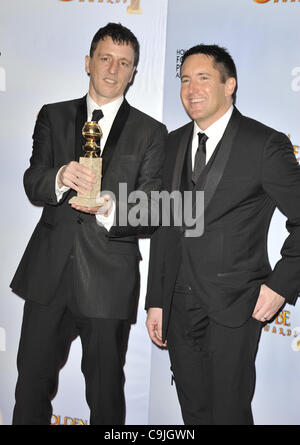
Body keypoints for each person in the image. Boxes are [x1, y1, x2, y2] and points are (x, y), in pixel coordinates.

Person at [11, 22, 167, 425]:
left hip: (108, 280)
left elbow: (152, 209)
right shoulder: (54, 115)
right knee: (29, 387)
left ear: (134, 73)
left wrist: (114, 207)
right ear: (88, 62)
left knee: (105, 395)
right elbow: (32, 181)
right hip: (49, 276)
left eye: (124, 63)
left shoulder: (152, 133)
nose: (112, 70)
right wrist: (60, 177)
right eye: (105, 59)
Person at [145, 44, 300, 425]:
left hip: (236, 304)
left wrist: (281, 285)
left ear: (229, 85)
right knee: (193, 412)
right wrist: (156, 299)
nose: (191, 89)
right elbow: (166, 227)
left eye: (203, 78)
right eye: (185, 80)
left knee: (229, 413)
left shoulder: (263, 143)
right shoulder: (172, 142)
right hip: (179, 306)